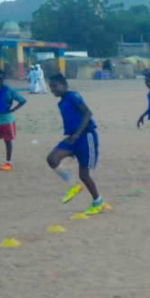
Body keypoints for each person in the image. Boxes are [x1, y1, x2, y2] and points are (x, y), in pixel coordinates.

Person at [46, 74, 107, 215]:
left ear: (64, 85)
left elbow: (87, 113)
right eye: (50, 87)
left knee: (84, 175)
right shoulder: (61, 103)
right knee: (52, 159)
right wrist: (73, 136)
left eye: (54, 86)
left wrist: (77, 134)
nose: (52, 90)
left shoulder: (73, 96)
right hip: (72, 138)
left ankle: (98, 201)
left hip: (85, 136)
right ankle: (73, 185)